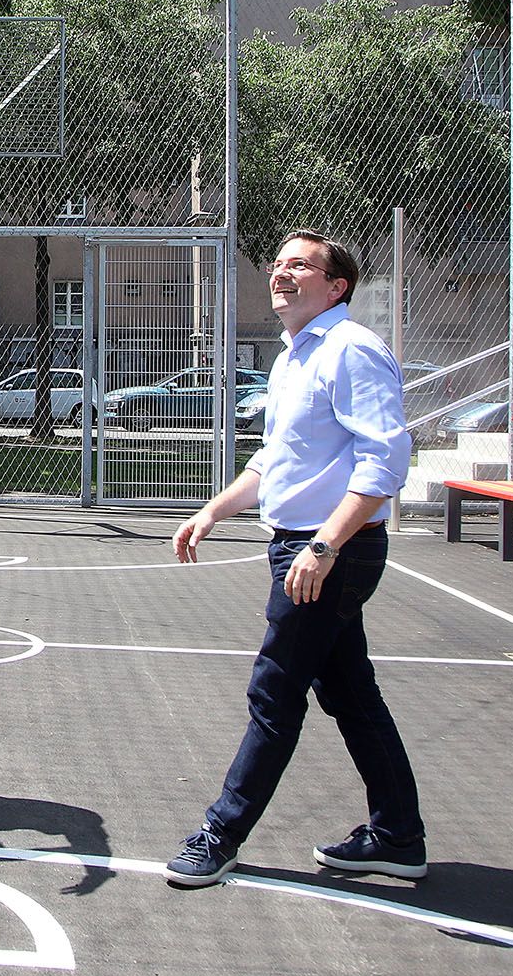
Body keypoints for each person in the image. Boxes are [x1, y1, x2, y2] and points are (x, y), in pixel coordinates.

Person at [164, 229, 425, 886]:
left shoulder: (351, 351)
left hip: (332, 550)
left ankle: (219, 833)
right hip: (308, 545)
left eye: (300, 265)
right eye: (279, 263)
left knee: (276, 689)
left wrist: (324, 544)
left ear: (336, 286)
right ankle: (398, 834)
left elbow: (386, 458)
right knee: (349, 692)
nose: (282, 273)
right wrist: (211, 511)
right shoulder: (295, 357)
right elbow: (273, 463)